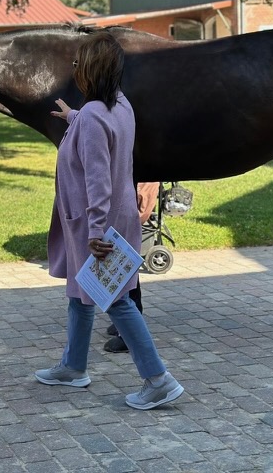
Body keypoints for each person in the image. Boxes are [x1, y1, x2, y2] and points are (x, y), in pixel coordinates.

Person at [34, 30, 184, 410]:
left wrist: (96, 233)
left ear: (89, 70)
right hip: (111, 219)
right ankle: (73, 366)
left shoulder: (94, 119)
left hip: (95, 225)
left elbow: (97, 180)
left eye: (76, 64)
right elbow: (97, 124)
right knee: (80, 294)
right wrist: (73, 116)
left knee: (115, 300)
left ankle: (158, 379)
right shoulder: (119, 106)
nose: (74, 69)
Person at [104, 182, 161, 353]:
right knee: (123, 266)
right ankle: (126, 322)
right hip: (128, 196)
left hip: (131, 199)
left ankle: (129, 330)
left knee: (125, 266)